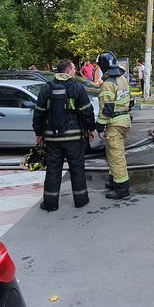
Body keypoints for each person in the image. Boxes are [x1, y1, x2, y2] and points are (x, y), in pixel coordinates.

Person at [32, 59, 97, 211]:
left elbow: (39, 113)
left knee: (53, 170)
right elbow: (86, 111)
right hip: (74, 139)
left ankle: (50, 203)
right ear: (68, 71)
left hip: (52, 138)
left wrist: (38, 133)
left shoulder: (46, 88)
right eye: (74, 69)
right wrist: (90, 129)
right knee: (77, 168)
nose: (75, 71)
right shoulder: (77, 88)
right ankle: (81, 200)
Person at [95, 51, 133, 199]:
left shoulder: (107, 84)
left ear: (103, 66)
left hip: (115, 124)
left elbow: (107, 109)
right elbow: (129, 101)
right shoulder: (122, 79)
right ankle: (113, 181)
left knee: (116, 157)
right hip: (124, 122)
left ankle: (122, 189)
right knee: (114, 154)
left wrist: (99, 127)